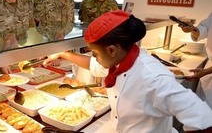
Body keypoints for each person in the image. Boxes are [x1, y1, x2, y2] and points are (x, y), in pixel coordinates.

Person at [43, 10, 212, 133]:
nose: (94, 57)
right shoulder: (120, 60)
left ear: (111, 50)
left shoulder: (153, 78)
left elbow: (202, 118)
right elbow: (95, 65)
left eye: (95, 53)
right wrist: (63, 54)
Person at [179, 12, 212, 109]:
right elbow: (203, 29)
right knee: (204, 110)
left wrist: (206, 71)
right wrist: (192, 29)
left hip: (209, 70)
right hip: (209, 72)